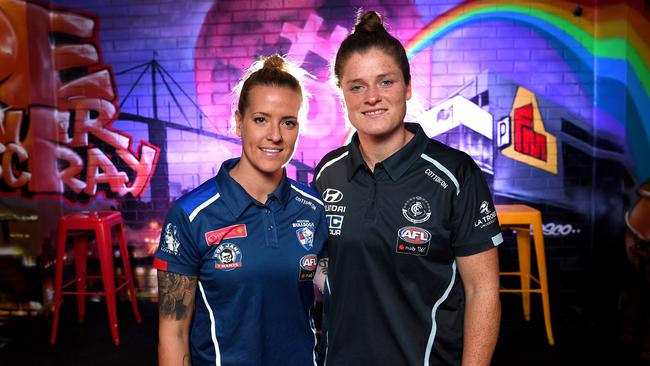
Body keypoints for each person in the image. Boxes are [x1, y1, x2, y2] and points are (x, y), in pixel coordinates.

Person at [312, 10, 503, 366]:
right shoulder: (327, 173)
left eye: (386, 81)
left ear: (408, 86)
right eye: (357, 86)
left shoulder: (455, 174)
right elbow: (323, 271)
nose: (372, 97)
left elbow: (483, 292)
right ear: (343, 95)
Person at [154, 54, 327, 366]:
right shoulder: (191, 216)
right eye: (261, 119)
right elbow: (173, 331)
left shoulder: (314, 209)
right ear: (238, 122)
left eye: (288, 122)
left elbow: (334, 291)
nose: (275, 135)